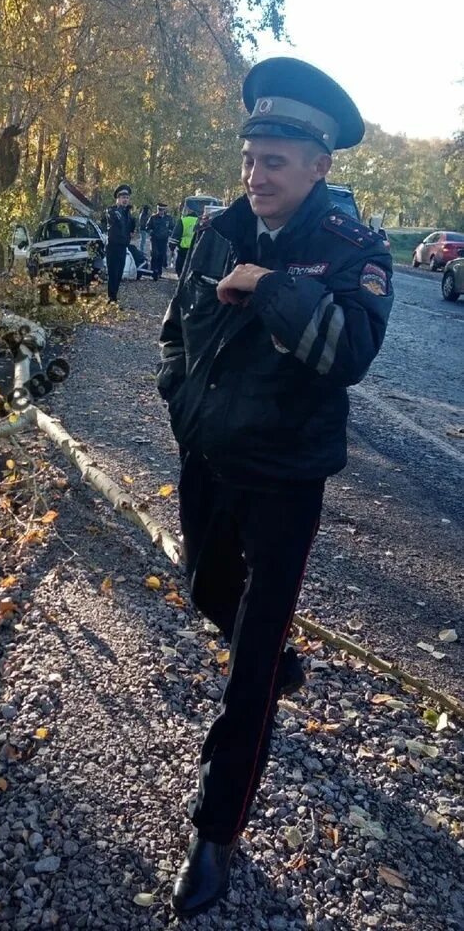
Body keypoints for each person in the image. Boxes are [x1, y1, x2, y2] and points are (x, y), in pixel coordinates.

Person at [156, 57, 394, 918]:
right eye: (251, 157)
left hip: (284, 480)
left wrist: (270, 288)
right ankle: (282, 662)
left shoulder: (352, 250)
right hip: (207, 459)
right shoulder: (220, 226)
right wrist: (177, 396)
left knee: (249, 665)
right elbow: (176, 329)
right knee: (203, 588)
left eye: (277, 161)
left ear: (320, 167)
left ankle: (214, 835)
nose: (257, 175)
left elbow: (349, 355)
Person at [103, 184, 136, 304]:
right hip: (113, 246)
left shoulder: (128, 213)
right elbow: (115, 221)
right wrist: (124, 212)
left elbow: (130, 229)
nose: (125, 200)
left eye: (127, 197)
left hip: (123, 246)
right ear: (117, 199)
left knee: (119, 273)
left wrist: (132, 229)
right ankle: (111, 298)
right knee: (113, 272)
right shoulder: (112, 211)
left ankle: (114, 297)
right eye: (123, 197)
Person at [170, 197, 200, 276]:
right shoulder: (200, 221)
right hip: (196, 250)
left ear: (188, 209)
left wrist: (172, 248)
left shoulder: (183, 221)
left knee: (180, 269)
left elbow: (175, 237)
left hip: (183, 250)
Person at [147, 202, 174, 280]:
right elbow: (147, 227)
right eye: (159, 209)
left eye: (162, 210)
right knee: (155, 254)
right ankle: (153, 271)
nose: (161, 211)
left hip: (164, 240)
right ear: (157, 209)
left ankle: (159, 272)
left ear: (164, 210)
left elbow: (172, 227)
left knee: (162, 255)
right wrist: (151, 232)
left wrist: (169, 232)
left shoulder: (168, 218)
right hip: (154, 239)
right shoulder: (153, 218)